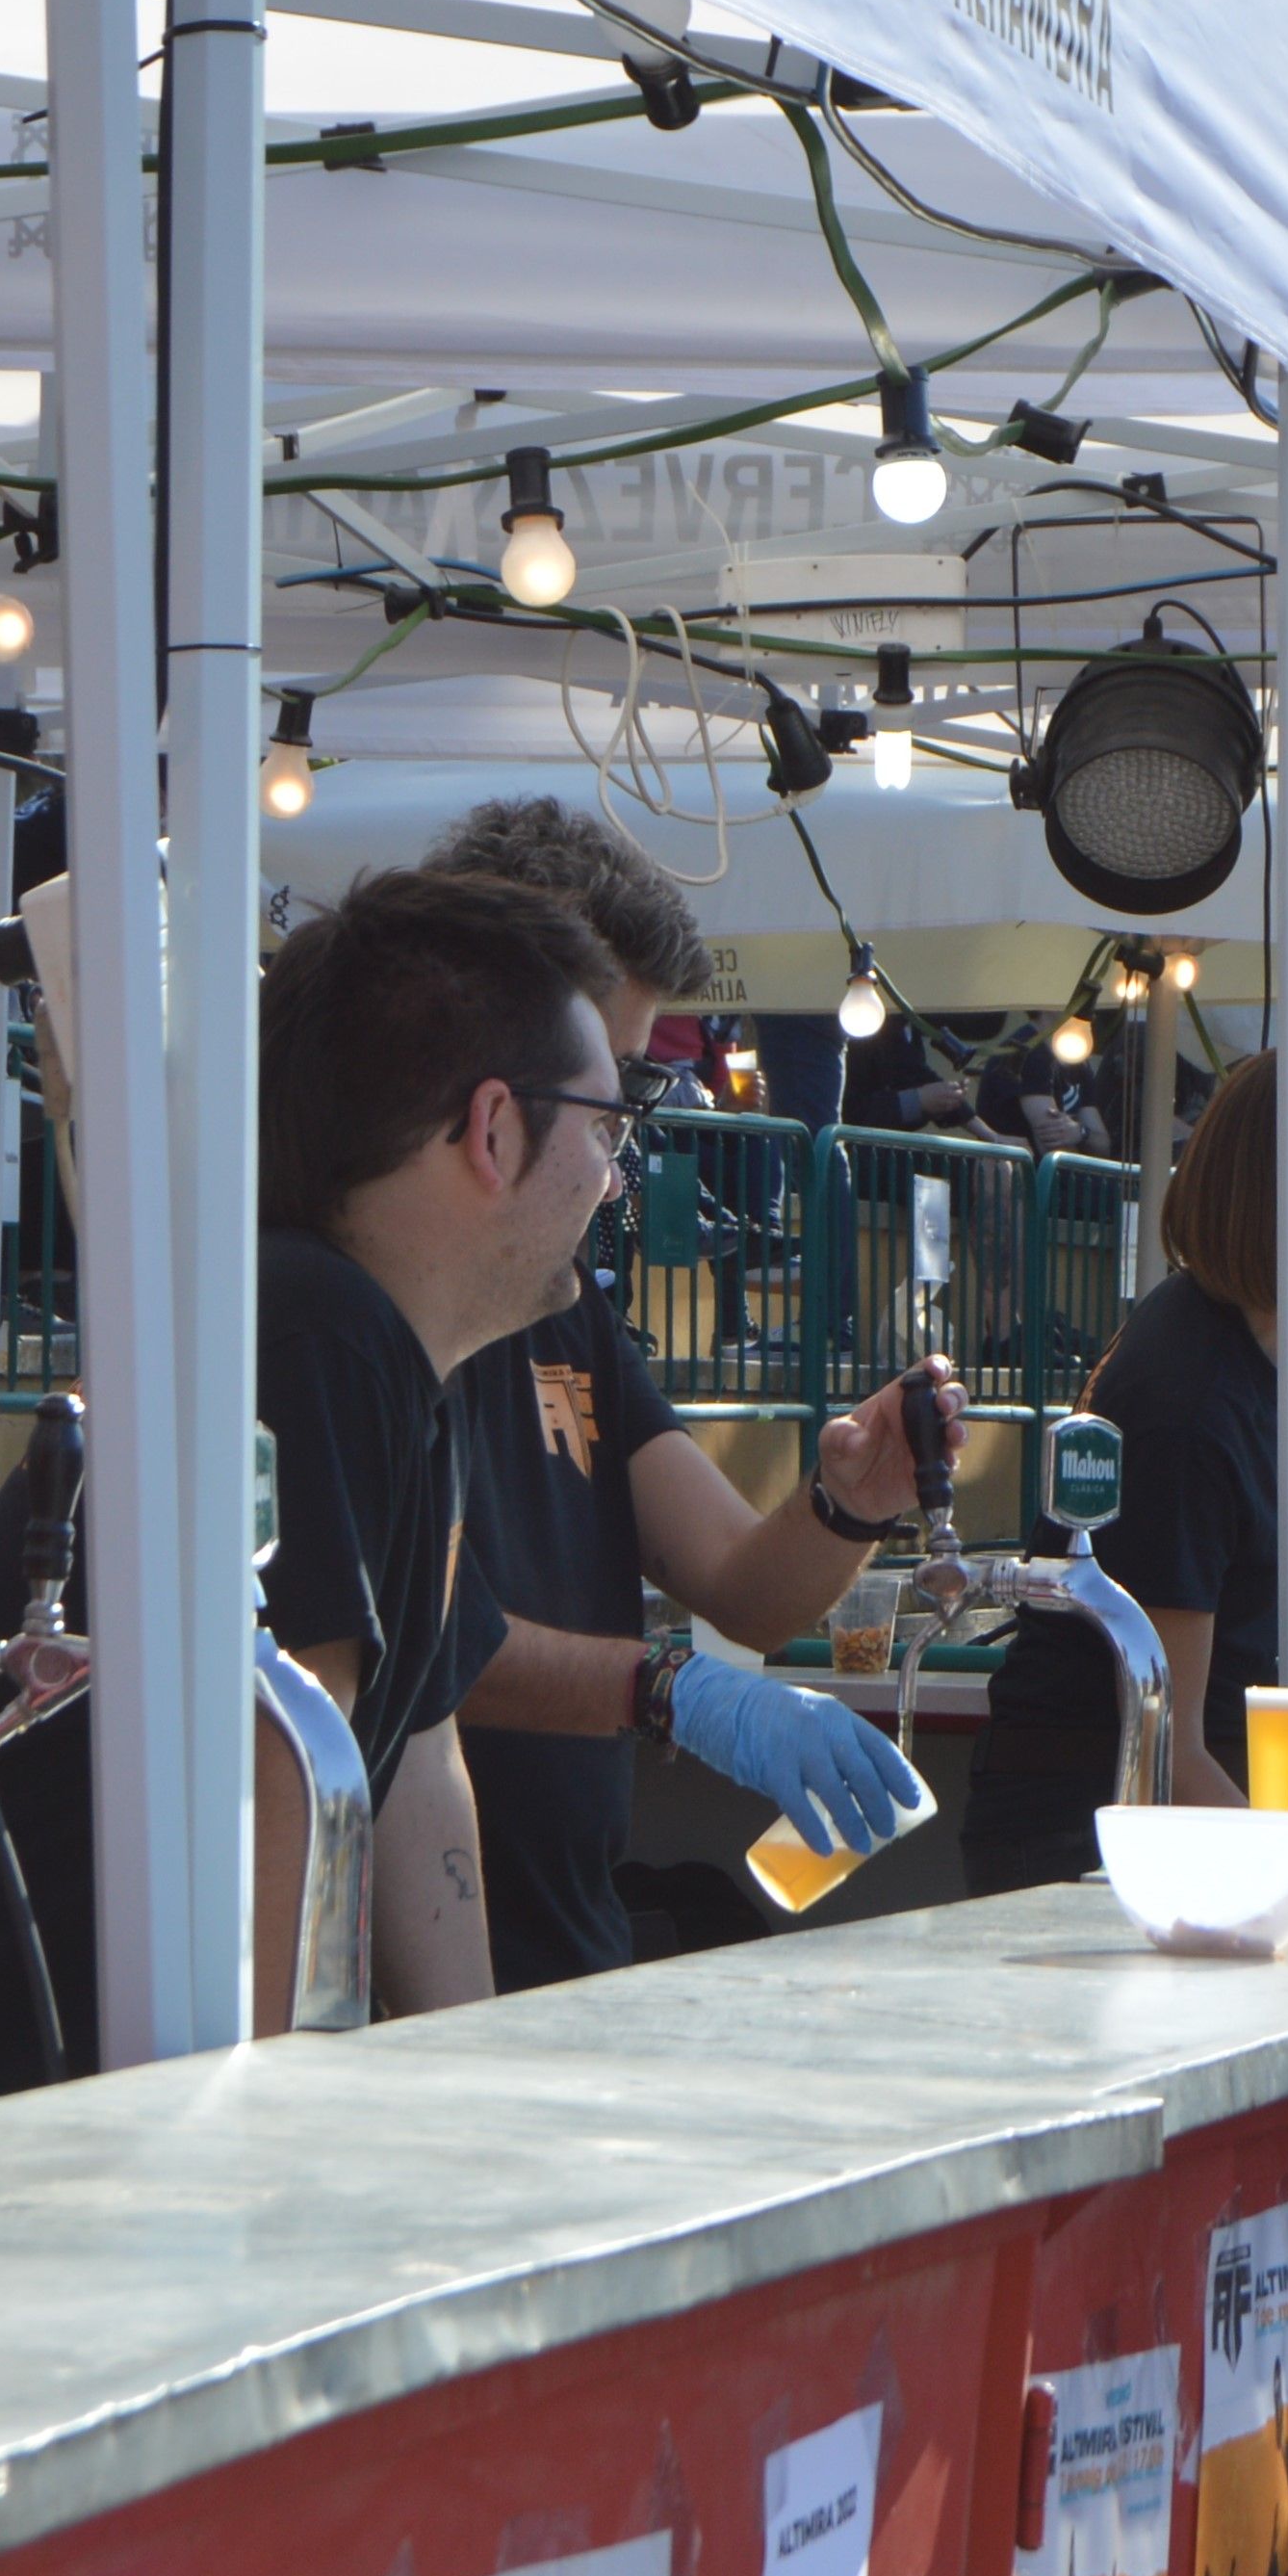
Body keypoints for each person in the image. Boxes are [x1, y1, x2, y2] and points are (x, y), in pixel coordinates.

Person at [0, 868, 623, 2146]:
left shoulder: (397, 1363)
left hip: (7, 2149)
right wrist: (272, 2162)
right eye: (607, 1126)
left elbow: (404, 1765)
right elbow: (282, 1758)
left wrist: (470, 2108)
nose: (617, 1177)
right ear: (494, 1129)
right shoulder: (306, 1330)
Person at [413, 795, 949, 1988]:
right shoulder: (348, 1312)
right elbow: (415, 1641)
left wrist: (852, 1503)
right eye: (609, 1103)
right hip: (442, 1981)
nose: (619, 1174)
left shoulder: (562, 1306)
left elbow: (746, 1594)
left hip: (569, 1945)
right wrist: (665, 1688)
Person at [961, 1046, 1288, 1893]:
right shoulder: (1193, 1400)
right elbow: (1164, 1749)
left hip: (1119, 1831)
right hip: (1088, 1849)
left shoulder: (1251, 1355)